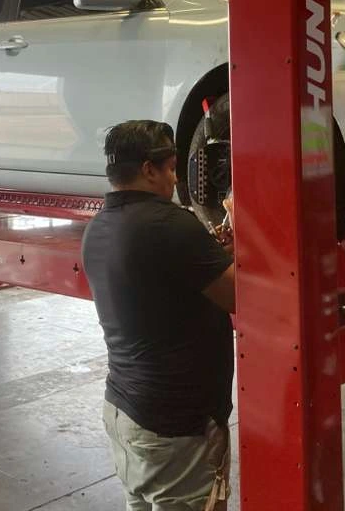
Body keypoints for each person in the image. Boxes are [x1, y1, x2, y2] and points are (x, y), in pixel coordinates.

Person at [82, 120, 236, 511]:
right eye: (169, 167)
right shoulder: (170, 224)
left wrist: (211, 256)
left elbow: (162, 281)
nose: (173, 178)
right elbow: (240, 295)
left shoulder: (99, 227)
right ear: (148, 170)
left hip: (125, 412)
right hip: (174, 429)